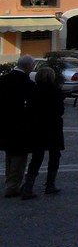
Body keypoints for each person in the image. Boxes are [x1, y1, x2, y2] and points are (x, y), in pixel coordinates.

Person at [21, 66, 65, 199]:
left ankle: (28, 187)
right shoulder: (55, 91)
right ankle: (50, 185)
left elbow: (28, 109)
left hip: (36, 127)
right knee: (54, 156)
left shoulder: (33, 90)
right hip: (53, 127)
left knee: (36, 157)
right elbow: (60, 111)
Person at [0, 54, 35, 198]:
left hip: (4, 123)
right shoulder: (26, 83)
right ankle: (13, 186)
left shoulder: (3, 79)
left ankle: (10, 182)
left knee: (9, 155)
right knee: (19, 157)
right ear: (27, 67)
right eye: (32, 66)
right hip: (20, 125)